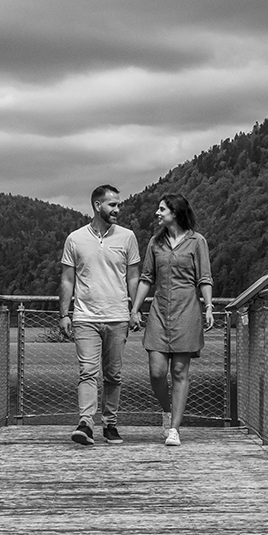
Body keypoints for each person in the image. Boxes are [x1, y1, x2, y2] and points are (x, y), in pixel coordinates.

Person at [128, 194, 213, 446]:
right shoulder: (155, 243)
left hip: (187, 311)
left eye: (162, 209)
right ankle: (167, 411)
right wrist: (135, 309)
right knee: (157, 372)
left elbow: (204, 278)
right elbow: (146, 278)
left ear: (174, 213)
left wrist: (209, 307)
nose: (157, 212)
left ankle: (174, 428)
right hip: (159, 311)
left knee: (179, 371)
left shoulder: (197, 242)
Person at [59, 184, 141, 446]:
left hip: (118, 316)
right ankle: (85, 423)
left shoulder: (128, 237)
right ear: (97, 205)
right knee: (87, 371)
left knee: (113, 375)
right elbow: (67, 279)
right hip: (85, 317)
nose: (118, 209)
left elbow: (133, 276)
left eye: (118, 205)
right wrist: (64, 314)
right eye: (112, 205)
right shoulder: (75, 239)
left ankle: (110, 424)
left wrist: (135, 310)